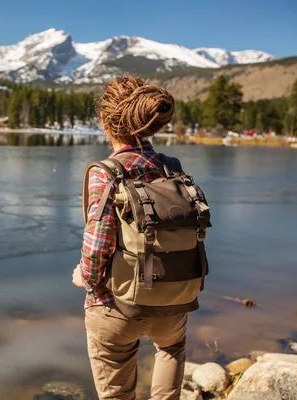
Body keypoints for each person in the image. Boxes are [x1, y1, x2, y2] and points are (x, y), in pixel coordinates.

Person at [73, 76, 205, 400]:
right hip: (174, 297)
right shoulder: (173, 168)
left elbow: (97, 246)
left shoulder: (106, 172)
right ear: (149, 123)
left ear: (104, 121)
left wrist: (85, 279)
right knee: (171, 348)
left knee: (116, 389)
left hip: (118, 305)